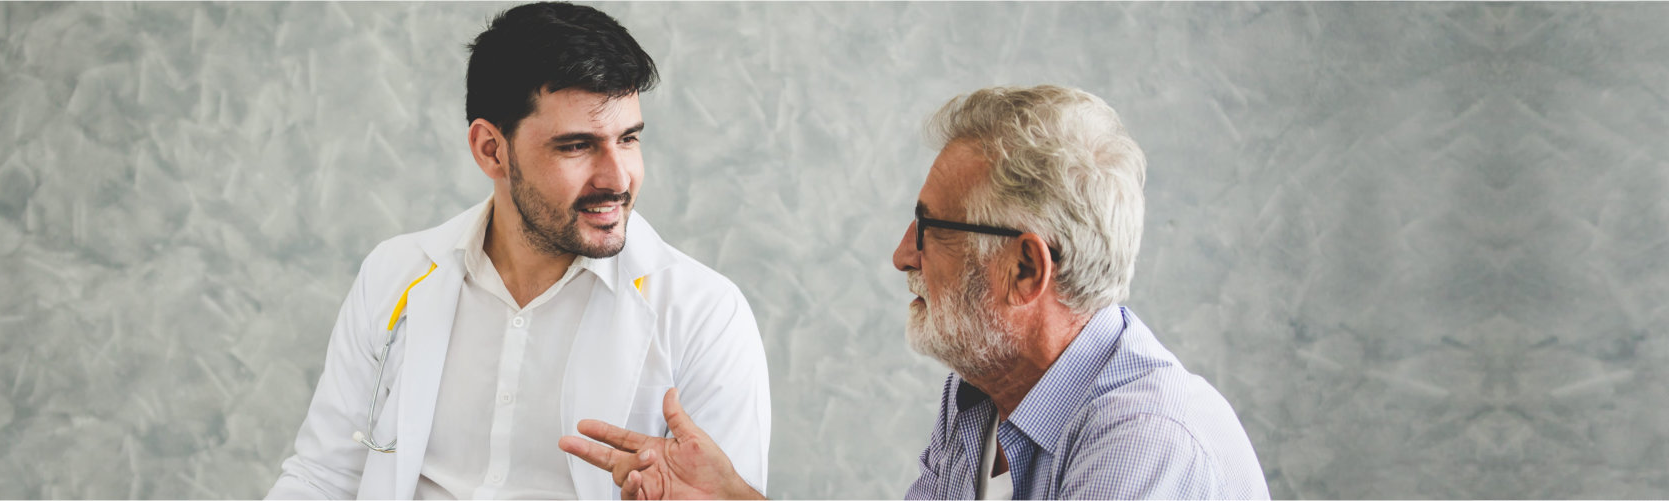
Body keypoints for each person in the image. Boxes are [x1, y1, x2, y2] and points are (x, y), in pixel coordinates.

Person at [558, 85, 1269, 500]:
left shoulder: (1147, 448)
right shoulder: (981, 398)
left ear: (1026, 269)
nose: (902, 253)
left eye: (930, 227)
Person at [267, 3, 771, 499]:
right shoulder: (394, 274)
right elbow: (321, 478)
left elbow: (717, 493)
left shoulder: (705, 313)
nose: (617, 179)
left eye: (629, 139)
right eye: (576, 146)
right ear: (491, 149)